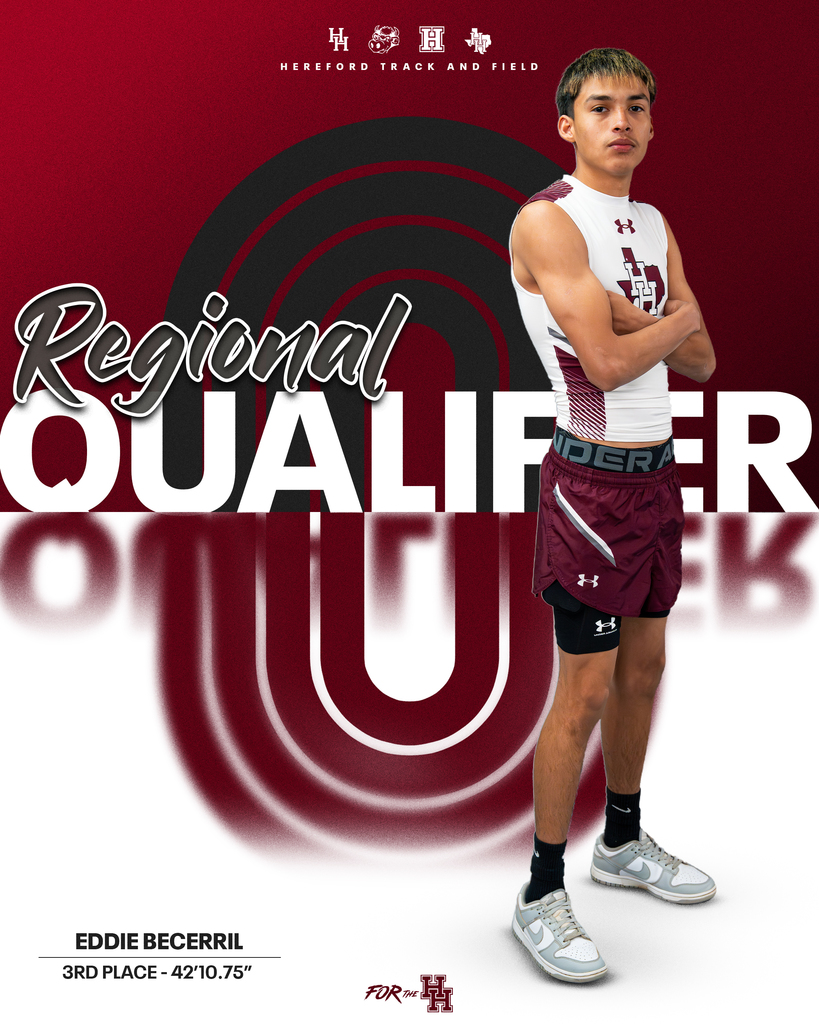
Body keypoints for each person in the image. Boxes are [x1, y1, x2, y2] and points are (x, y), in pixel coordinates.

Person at [509, 48, 717, 983]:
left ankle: (620, 846)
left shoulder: (652, 219)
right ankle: (540, 892)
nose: (620, 122)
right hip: (589, 485)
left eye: (636, 106)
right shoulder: (548, 222)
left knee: (644, 671)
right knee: (582, 691)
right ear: (568, 123)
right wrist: (663, 322)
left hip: (658, 481)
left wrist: (653, 324)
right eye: (600, 107)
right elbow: (603, 365)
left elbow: (703, 363)